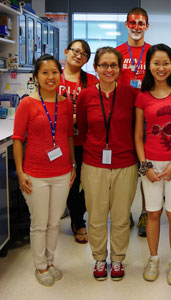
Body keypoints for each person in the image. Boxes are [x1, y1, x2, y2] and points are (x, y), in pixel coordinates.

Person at [12, 54, 76, 286]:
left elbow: (68, 135)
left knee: (54, 222)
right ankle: (40, 266)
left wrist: (73, 165)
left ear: (61, 75)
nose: (51, 77)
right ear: (37, 77)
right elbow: (18, 139)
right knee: (39, 222)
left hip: (61, 172)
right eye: (45, 72)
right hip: (34, 174)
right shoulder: (27, 104)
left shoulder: (66, 103)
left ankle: (50, 261)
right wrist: (20, 172)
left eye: (55, 72)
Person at [135, 44, 171, 285]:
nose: (161, 68)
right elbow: (138, 136)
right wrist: (145, 167)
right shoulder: (143, 96)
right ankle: (153, 258)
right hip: (150, 164)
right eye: (156, 63)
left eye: (166, 63)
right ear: (149, 65)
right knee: (152, 214)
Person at [76, 47, 138, 281]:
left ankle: (119, 259)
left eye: (113, 65)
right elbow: (82, 130)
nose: (109, 70)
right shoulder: (85, 96)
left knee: (122, 216)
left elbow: (135, 128)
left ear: (120, 69)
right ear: (95, 68)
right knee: (97, 216)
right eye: (104, 65)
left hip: (125, 163)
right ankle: (100, 259)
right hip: (93, 164)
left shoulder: (131, 95)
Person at [58, 39, 99, 244]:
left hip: (83, 140)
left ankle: (78, 220)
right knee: (63, 183)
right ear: (66, 52)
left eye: (84, 54)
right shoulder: (53, 77)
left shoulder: (91, 81)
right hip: (56, 142)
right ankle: (70, 217)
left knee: (81, 183)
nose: (78, 55)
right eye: (75, 51)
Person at [116, 7, 151, 236]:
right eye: (132, 23)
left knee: (146, 166)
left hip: (148, 116)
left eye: (141, 23)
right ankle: (124, 212)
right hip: (123, 117)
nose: (136, 27)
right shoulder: (117, 53)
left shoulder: (153, 52)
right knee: (125, 169)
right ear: (126, 25)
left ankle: (147, 213)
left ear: (147, 26)